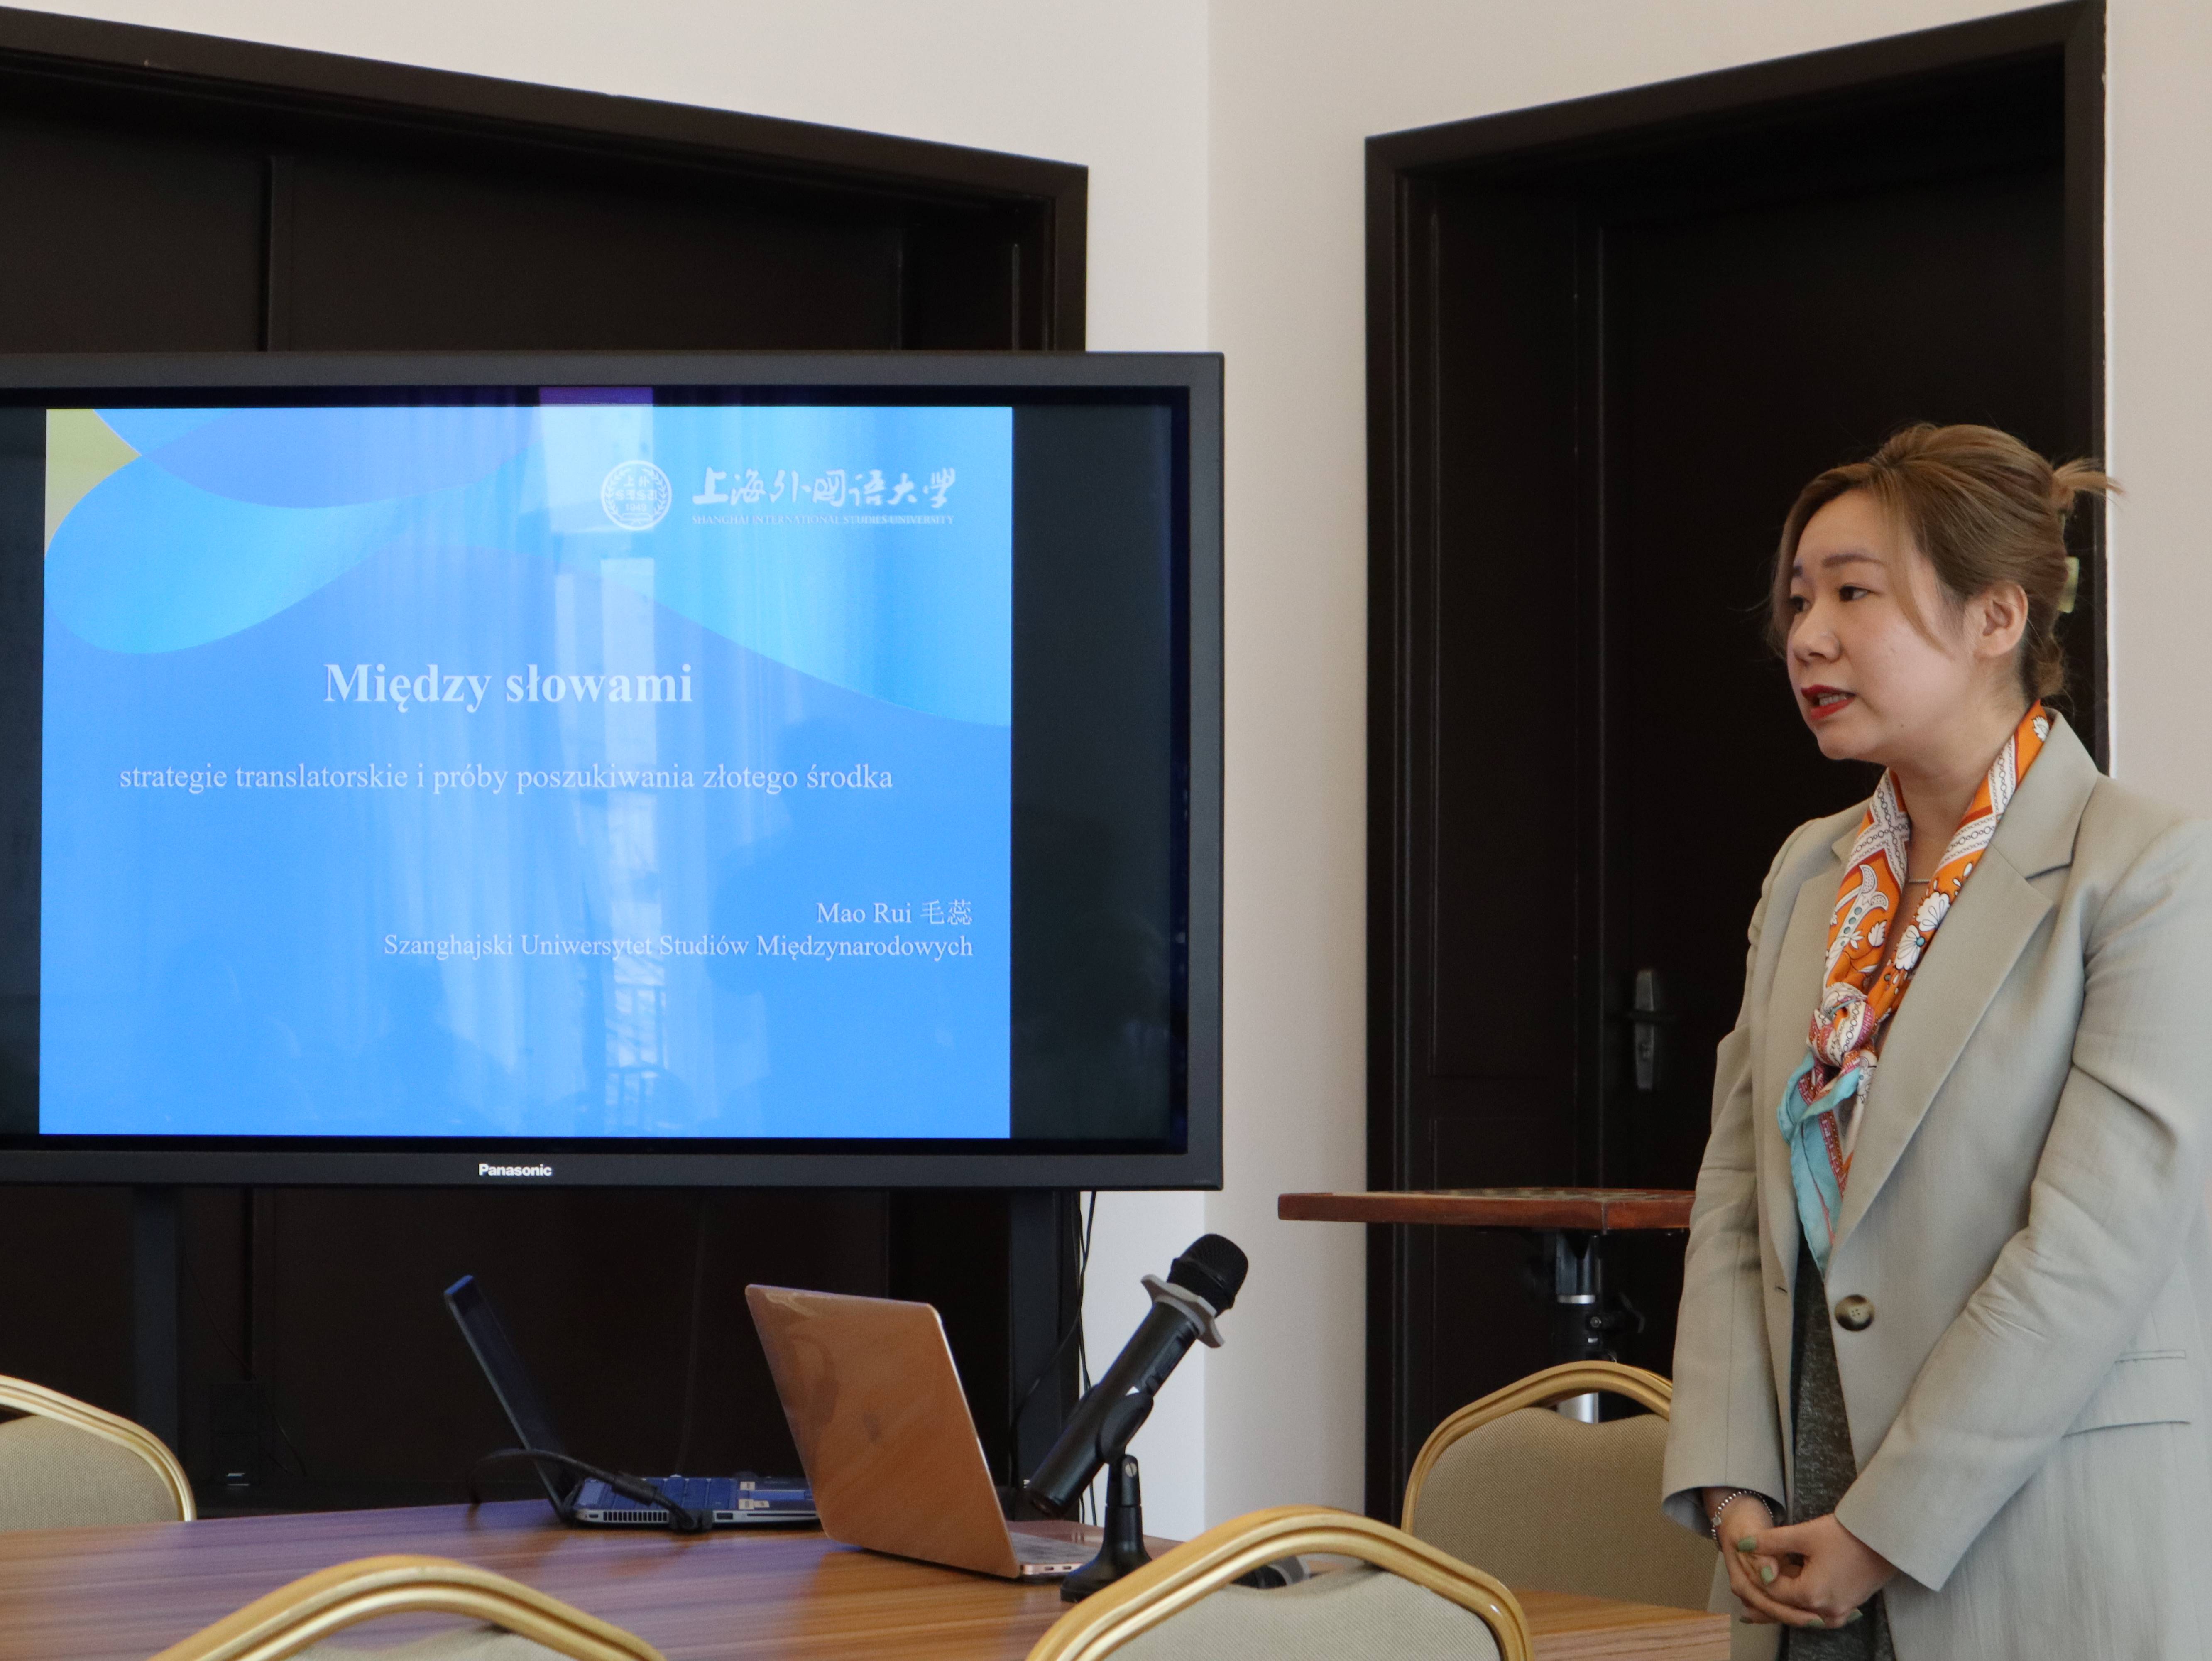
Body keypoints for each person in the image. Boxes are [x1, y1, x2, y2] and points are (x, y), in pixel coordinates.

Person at [1660, 424, 2212, 1658]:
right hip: (1795, 1535)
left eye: (1854, 593)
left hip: (2030, 1541)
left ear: (1997, 617)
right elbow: (1738, 1197)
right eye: (1800, 598)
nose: (1808, 636)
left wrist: (1880, 1531)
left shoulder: (2146, 871)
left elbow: (2089, 1257)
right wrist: (1736, 1485)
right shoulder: (1810, 871)